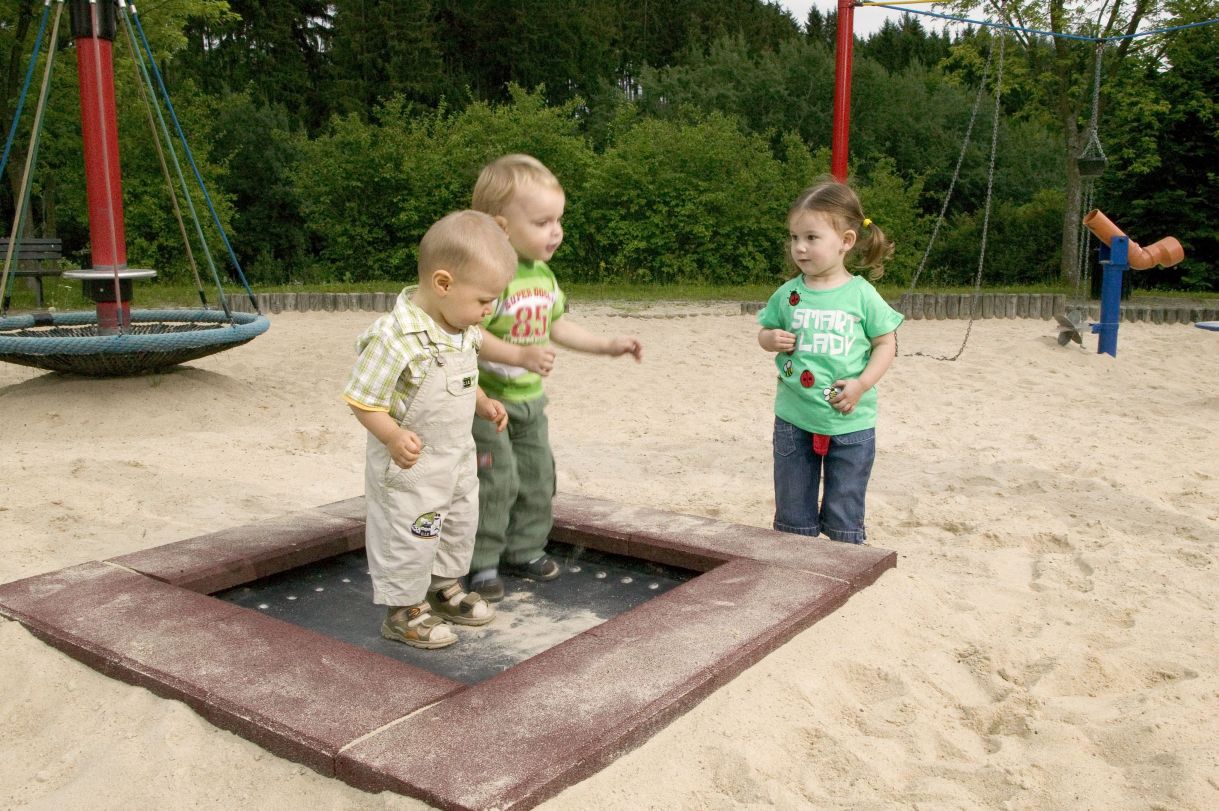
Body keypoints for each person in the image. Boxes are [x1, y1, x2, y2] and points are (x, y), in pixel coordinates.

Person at [465, 153, 643, 601]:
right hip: (488, 403)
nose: (556, 231)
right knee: (497, 479)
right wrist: (518, 354)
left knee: (538, 474)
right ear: (502, 227)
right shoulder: (491, 274)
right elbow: (469, 336)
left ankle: (524, 549)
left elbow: (557, 325)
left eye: (558, 220)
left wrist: (606, 345)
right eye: (543, 221)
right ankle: (482, 561)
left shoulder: (543, 276)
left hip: (531, 401)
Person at [343, 210, 517, 649]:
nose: (488, 311)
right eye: (483, 300)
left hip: (456, 455)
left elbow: (466, 375)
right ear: (443, 284)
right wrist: (391, 436)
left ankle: (443, 588)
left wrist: (482, 403)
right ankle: (402, 611)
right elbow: (362, 398)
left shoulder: (464, 330)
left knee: (458, 523)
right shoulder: (394, 338)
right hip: (411, 464)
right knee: (410, 530)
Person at [756, 178, 903, 544]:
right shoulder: (788, 293)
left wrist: (862, 384)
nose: (800, 248)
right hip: (794, 417)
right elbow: (765, 331)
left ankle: (843, 558)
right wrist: (770, 340)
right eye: (794, 238)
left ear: (846, 242)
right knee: (793, 509)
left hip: (851, 417)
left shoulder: (862, 295)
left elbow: (886, 343)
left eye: (811, 238)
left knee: (844, 507)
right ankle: (796, 557)